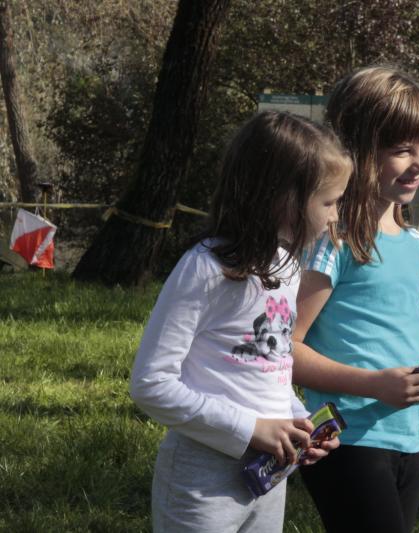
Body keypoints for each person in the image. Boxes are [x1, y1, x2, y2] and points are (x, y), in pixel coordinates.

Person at [129, 111, 350, 533]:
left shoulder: (287, 267)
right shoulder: (205, 268)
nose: (335, 216)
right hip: (201, 482)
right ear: (282, 197)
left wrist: (299, 423)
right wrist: (249, 429)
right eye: (329, 202)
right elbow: (150, 383)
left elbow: (269, 368)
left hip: (268, 476)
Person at [291, 65, 419, 533]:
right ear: (357, 149)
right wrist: (374, 385)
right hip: (346, 440)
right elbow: (285, 350)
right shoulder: (334, 241)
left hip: (409, 438)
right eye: (402, 150)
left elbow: (392, 342)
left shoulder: (417, 245)